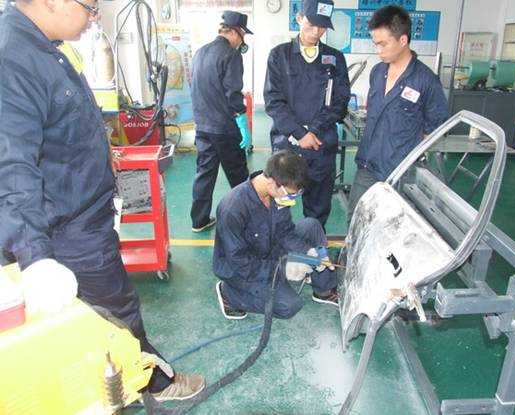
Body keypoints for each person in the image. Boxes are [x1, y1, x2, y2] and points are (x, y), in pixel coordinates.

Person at [0, 1, 204, 400]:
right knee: (116, 315)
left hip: (80, 214)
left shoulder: (44, 44)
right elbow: (11, 166)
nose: (95, 16)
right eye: (90, 6)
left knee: (97, 319)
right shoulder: (13, 58)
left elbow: (55, 125)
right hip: (66, 232)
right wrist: (36, 259)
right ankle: (152, 384)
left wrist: (99, 147)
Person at [347, 5, 449, 223]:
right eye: (375, 43)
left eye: (383, 44)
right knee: (355, 221)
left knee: (391, 228)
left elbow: (433, 130)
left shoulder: (426, 81)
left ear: (403, 40)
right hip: (367, 165)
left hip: (400, 173)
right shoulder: (377, 72)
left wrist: (405, 156)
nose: (378, 50)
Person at [212, 150, 339, 320]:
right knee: (289, 306)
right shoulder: (233, 208)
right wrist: (282, 269)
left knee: (312, 226)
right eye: (291, 193)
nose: (292, 198)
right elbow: (239, 262)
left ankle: (323, 289)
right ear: (272, 182)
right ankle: (229, 294)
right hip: (242, 269)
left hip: (268, 247)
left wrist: (308, 251)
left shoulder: (278, 194)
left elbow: (285, 232)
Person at [264, 0, 350, 228]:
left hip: (321, 144)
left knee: (318, 206)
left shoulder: (335, 58)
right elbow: (273, 101)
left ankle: (314, 242)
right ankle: (279, 242)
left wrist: (313, 131)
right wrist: (299, 133)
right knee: (280, 202)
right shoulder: (279, 55)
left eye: (322, 27)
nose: (316, 32)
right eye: (311, 24)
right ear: (299, 18)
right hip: (287, 144)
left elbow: (340, 102)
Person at [190, 11, 253, 233]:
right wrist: (242, 120)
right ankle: (247, 219)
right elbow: (233, 93)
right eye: (243, 36)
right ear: (236, 32)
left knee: (204, 174)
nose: (242, 42)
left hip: (203, 126)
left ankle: (199, 221)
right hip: (225, 128)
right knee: (239, 176)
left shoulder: (200, 52)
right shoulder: (231, 55)